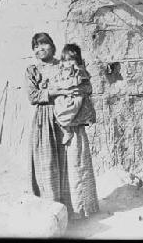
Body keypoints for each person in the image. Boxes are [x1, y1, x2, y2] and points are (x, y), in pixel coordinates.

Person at [25, 32, 99, 219]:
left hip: (69, 118)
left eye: (44, 44)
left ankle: (75, 211)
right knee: (49, 163)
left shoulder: (66, 64)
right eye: (36, 46)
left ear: (53, 46)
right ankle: (52, 211)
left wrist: (72, 90)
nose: (39, 49)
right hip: (45, 119)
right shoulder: (32, 70)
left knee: (72, 163)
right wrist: (55, 90)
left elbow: (86, 86)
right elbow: (33, 96)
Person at [53, 44, 90, 145]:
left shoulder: (79, 71)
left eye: (71, 60)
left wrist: (78, 69)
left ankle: (69, 130)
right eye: (65, 60)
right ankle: (67, 131)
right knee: (57, 111)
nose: (68, 63)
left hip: (75, 98)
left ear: (77, 60)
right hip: (66, 97)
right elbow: (58, 83)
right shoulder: (62, 72)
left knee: (70, 114)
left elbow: (82, 83)